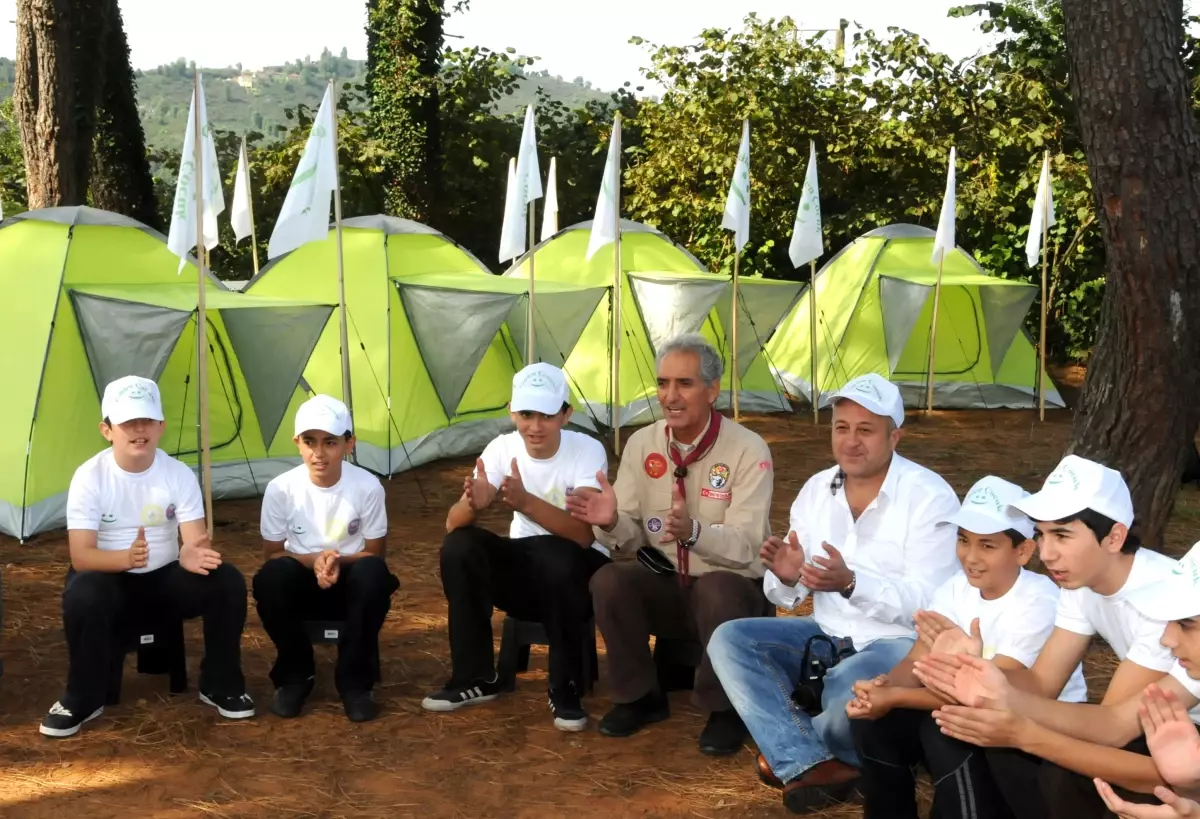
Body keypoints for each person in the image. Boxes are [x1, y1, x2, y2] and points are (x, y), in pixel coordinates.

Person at [704, 372, 961, 814]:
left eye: (866, 430)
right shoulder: (816, 490)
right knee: (730, 639)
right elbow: (789, 594)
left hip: (901, 642)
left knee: (848, 687)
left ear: (894, 436)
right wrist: (787, 576)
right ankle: (821, 761)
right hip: (826, 632)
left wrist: (852, 583)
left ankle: (802, 753)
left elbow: (932, 604)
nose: (851, 441)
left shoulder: (929, 497)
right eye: (842, 428)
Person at [913, 454, 1200, 818]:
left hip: (1174, 728)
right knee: (1003, 746)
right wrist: (981, 674)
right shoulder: (1079, 584)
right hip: (1158, 721)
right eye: (1041, 534)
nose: (1046, 554)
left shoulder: (1168, 601)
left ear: (1114, 537)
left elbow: (1112, 728)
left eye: (1062, 534)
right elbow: (1040, 682)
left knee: (1061, 772)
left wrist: (1018, 723)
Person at [567, 333, 775, 755]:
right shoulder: (643, 444)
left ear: (713, 390)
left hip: (731, 593)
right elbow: (629, 536)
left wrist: (696, 533)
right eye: (663, 383)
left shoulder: (747, 450)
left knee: (718, 588)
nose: (670, 396)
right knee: (608, 579)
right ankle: (640, 696)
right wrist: (610, 522)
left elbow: (749, 545)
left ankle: (726, 708)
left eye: (684, 384)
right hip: (668, 585)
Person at [846, 475, 1088, 819]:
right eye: (963, 540)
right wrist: (882, 688)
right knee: (873, 723)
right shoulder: (955, 588)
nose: (970, 557)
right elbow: (918, 659)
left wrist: (896, 697)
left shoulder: (1038, 602)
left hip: (1035, 726)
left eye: (987, 545)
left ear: (1023, 551)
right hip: (969, 708)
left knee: (947, 726)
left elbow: (993, 694)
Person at [41, 375, 254, 738]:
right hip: (109, 577)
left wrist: (190, 554)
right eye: (128, 422)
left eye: (147, 421)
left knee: (227, 581)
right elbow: (81, 556)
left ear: (160, 427)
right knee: (83, 592)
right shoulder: (90, 476)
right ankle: (82, 697)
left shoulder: (177, 474)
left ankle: (221, 683)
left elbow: (194, 540)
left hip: (164, 578)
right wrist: (126, 558)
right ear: (107, 430)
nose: (139, 430)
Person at [423, 363, 609, 732]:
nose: (535, 426)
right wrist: (472, 504)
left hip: (579, 574)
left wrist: (526, 503)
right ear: (511, 411)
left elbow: (584, 536)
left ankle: (564, 685)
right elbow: (452, 524)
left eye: (546, 415)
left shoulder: (587, 451)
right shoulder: (501, 447)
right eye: (526, 414)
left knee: (557, 555)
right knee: (459, 546)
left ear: (566, 414)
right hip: (527, 572)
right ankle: (474, 677)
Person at [252, 394, 399, 723]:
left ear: (350, 444)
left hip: (349, 582)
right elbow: (273, 554)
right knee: (271, 577)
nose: (319, 453)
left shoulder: (368, 487)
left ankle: (355, 684)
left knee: (374, 573)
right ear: (297, 443)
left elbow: (375, 552)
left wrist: (335, 561)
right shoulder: (281, 489)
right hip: (303, 582)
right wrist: (315, 559)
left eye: (330, 442)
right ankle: (295, 674)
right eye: (310, 442)